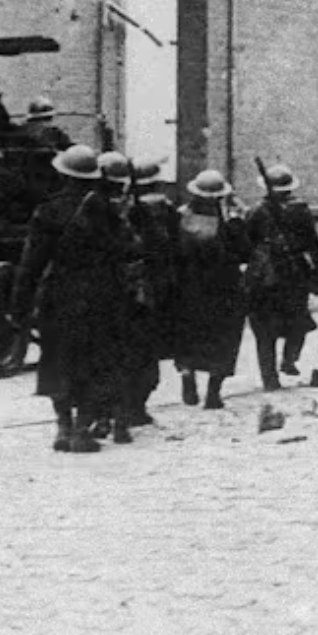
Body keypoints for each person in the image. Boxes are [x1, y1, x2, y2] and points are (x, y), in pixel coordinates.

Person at [14, 144, 133, 451]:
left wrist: (20, 305)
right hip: (101, 296)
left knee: (57, 360)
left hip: (59, 294)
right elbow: (126, 250)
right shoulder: (106, 210)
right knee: (96, 362)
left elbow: (31, 263)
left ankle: (63, 427)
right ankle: (83, 429)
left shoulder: (48, 210)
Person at [170, 168, 252, 410]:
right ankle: (213, 392)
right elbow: (244, 251)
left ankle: (187, 375)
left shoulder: (180, 217)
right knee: (223, 338)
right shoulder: (228, 223)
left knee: (187, 335)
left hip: (188, 288)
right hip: (223, 289)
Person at [245, 164, 318, 388]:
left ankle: (269, 378)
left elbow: (245, 244)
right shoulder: (300, 210)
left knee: (264, 329)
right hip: (294, 273)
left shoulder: (255, 212)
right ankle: (289, 359)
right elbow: (313, 244)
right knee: (297, 320)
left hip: (264, 276)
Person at [119, 158, 177, 433]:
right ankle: (136, 408)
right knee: (147, 353)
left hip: (125, 290)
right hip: (154, 290)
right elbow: (171, 248)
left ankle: (119, 410)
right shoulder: (164, 210)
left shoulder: (122, 210)